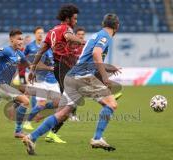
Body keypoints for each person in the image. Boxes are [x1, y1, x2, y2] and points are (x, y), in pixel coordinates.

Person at [22, 13, 121, 155]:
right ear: (117, 26)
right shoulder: (105, 36)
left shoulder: (97, 35)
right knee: (111, 104)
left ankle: (32, 137)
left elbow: (90, 59)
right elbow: (96, 54)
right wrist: (105, 77)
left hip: (72, 76)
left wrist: (107, 68)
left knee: (63, 113)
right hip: (84, 76)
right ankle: (97, 138)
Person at [28, 4, 85, 143]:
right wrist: (84, 41)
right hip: (63, 68)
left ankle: (50, 130)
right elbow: (69, 36)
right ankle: (46, 132)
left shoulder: (51, 32)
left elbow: (40, 51)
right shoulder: (66, 28)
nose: (76, 21)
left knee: (68, 102)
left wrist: (33, 68)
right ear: (68, 18)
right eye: (74, 18)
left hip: (60, 68)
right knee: (69, 103)